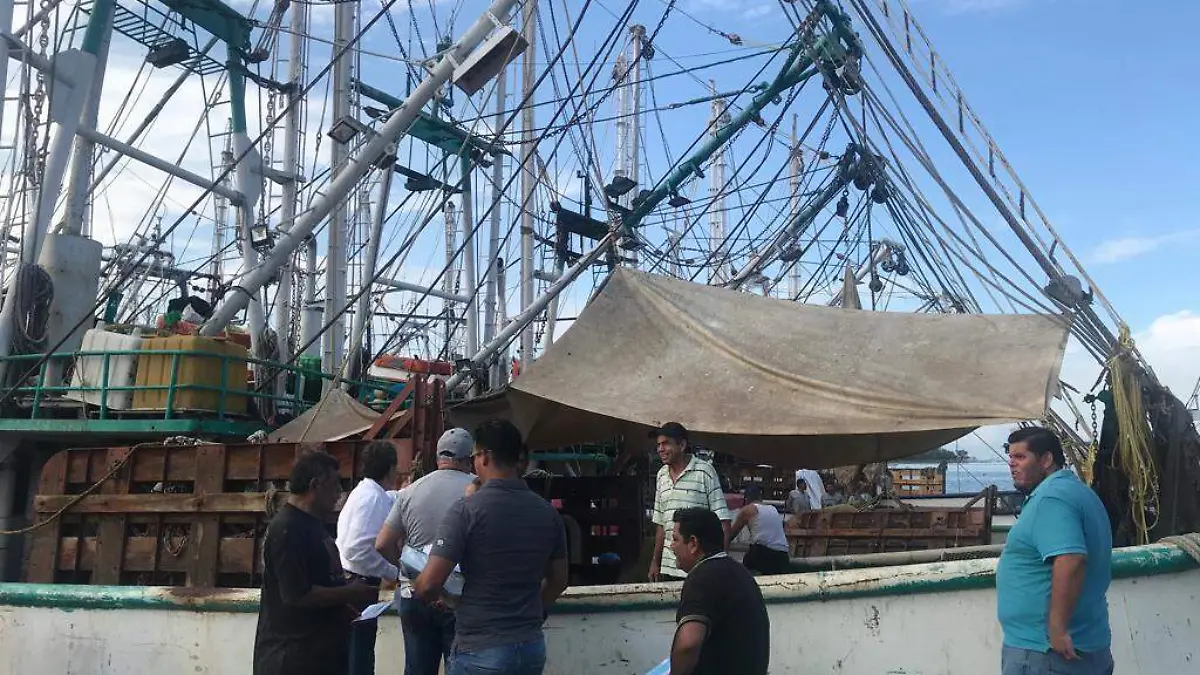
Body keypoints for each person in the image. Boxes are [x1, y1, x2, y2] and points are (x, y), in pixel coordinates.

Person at [414, 419, 569, 675]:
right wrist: (531, 614)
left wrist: (420, 588)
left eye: (474, 456)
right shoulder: (547, 513)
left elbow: (430, 583)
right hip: (530, 647)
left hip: (480, 649)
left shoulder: (466, 511)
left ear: (485, 457)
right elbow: (559, 579)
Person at [997, 427, 1113, 675]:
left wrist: (1057, 628)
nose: (1011, 464)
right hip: (1087, 645)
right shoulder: (1078, 491)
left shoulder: (1052, 498)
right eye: (1011, 457)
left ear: (1046, 460)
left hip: (1045, 653)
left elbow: (1071, 559)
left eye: (1020, 457)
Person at [254, 451, 380, 675]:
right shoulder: (287, 530)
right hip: (292, 657)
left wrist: (343, 607)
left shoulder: (314, 525)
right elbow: (297, 595)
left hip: (321, 655)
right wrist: (351, 592)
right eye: (335, 485)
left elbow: (320, 579)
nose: (339, 493)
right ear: (315, 485)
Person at [375, 428, 476, 675]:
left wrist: (405, 571)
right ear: (469, 459)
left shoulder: (410, 491)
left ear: (438, 456)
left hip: (415, 593)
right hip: (460, 597)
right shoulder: (476, 490)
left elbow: (382, 543)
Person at [667, 508, 769, 675]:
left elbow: (688, 645)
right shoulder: (741, 573)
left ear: (693, 543)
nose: (671, 546)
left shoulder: (702, 577)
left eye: (675, 539)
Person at [336, 440, 402, 675]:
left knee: (355, 651)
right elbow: (357, 549)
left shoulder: (366, 492)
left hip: (351, 580)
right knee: (359, 656)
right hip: (359, 585)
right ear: (390, 468)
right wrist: (393, 572)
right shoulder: (373, 498)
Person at [649, 422, 732, 582]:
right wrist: (655, 562)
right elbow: (661, 525)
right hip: (668, 568)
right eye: (658, 445)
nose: (660, 449)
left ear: (682, 445)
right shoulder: (661, 475)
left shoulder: (704, 472)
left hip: (699, 569)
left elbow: (723, 523)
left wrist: (719, 566)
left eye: (665, 444)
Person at [730, 485, 791, 575]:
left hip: (763, 553)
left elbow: (731, 534)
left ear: (746, 499)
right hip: (783, 555)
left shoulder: (749, 509)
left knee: (744, 570)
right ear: (760, 498)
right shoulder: (773, 508)